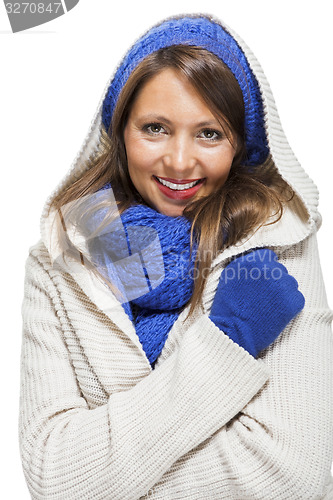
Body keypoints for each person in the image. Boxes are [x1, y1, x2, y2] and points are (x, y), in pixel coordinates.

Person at [18, 13, 333, 500]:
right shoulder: (58, 262)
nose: (180, 161)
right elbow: (54, 478)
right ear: (120, 131)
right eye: (155, 128)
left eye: (209, 133)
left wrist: (108, 478)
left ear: (241, 144)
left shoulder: (276, 245)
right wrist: (226, 342)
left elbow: (294, 475)